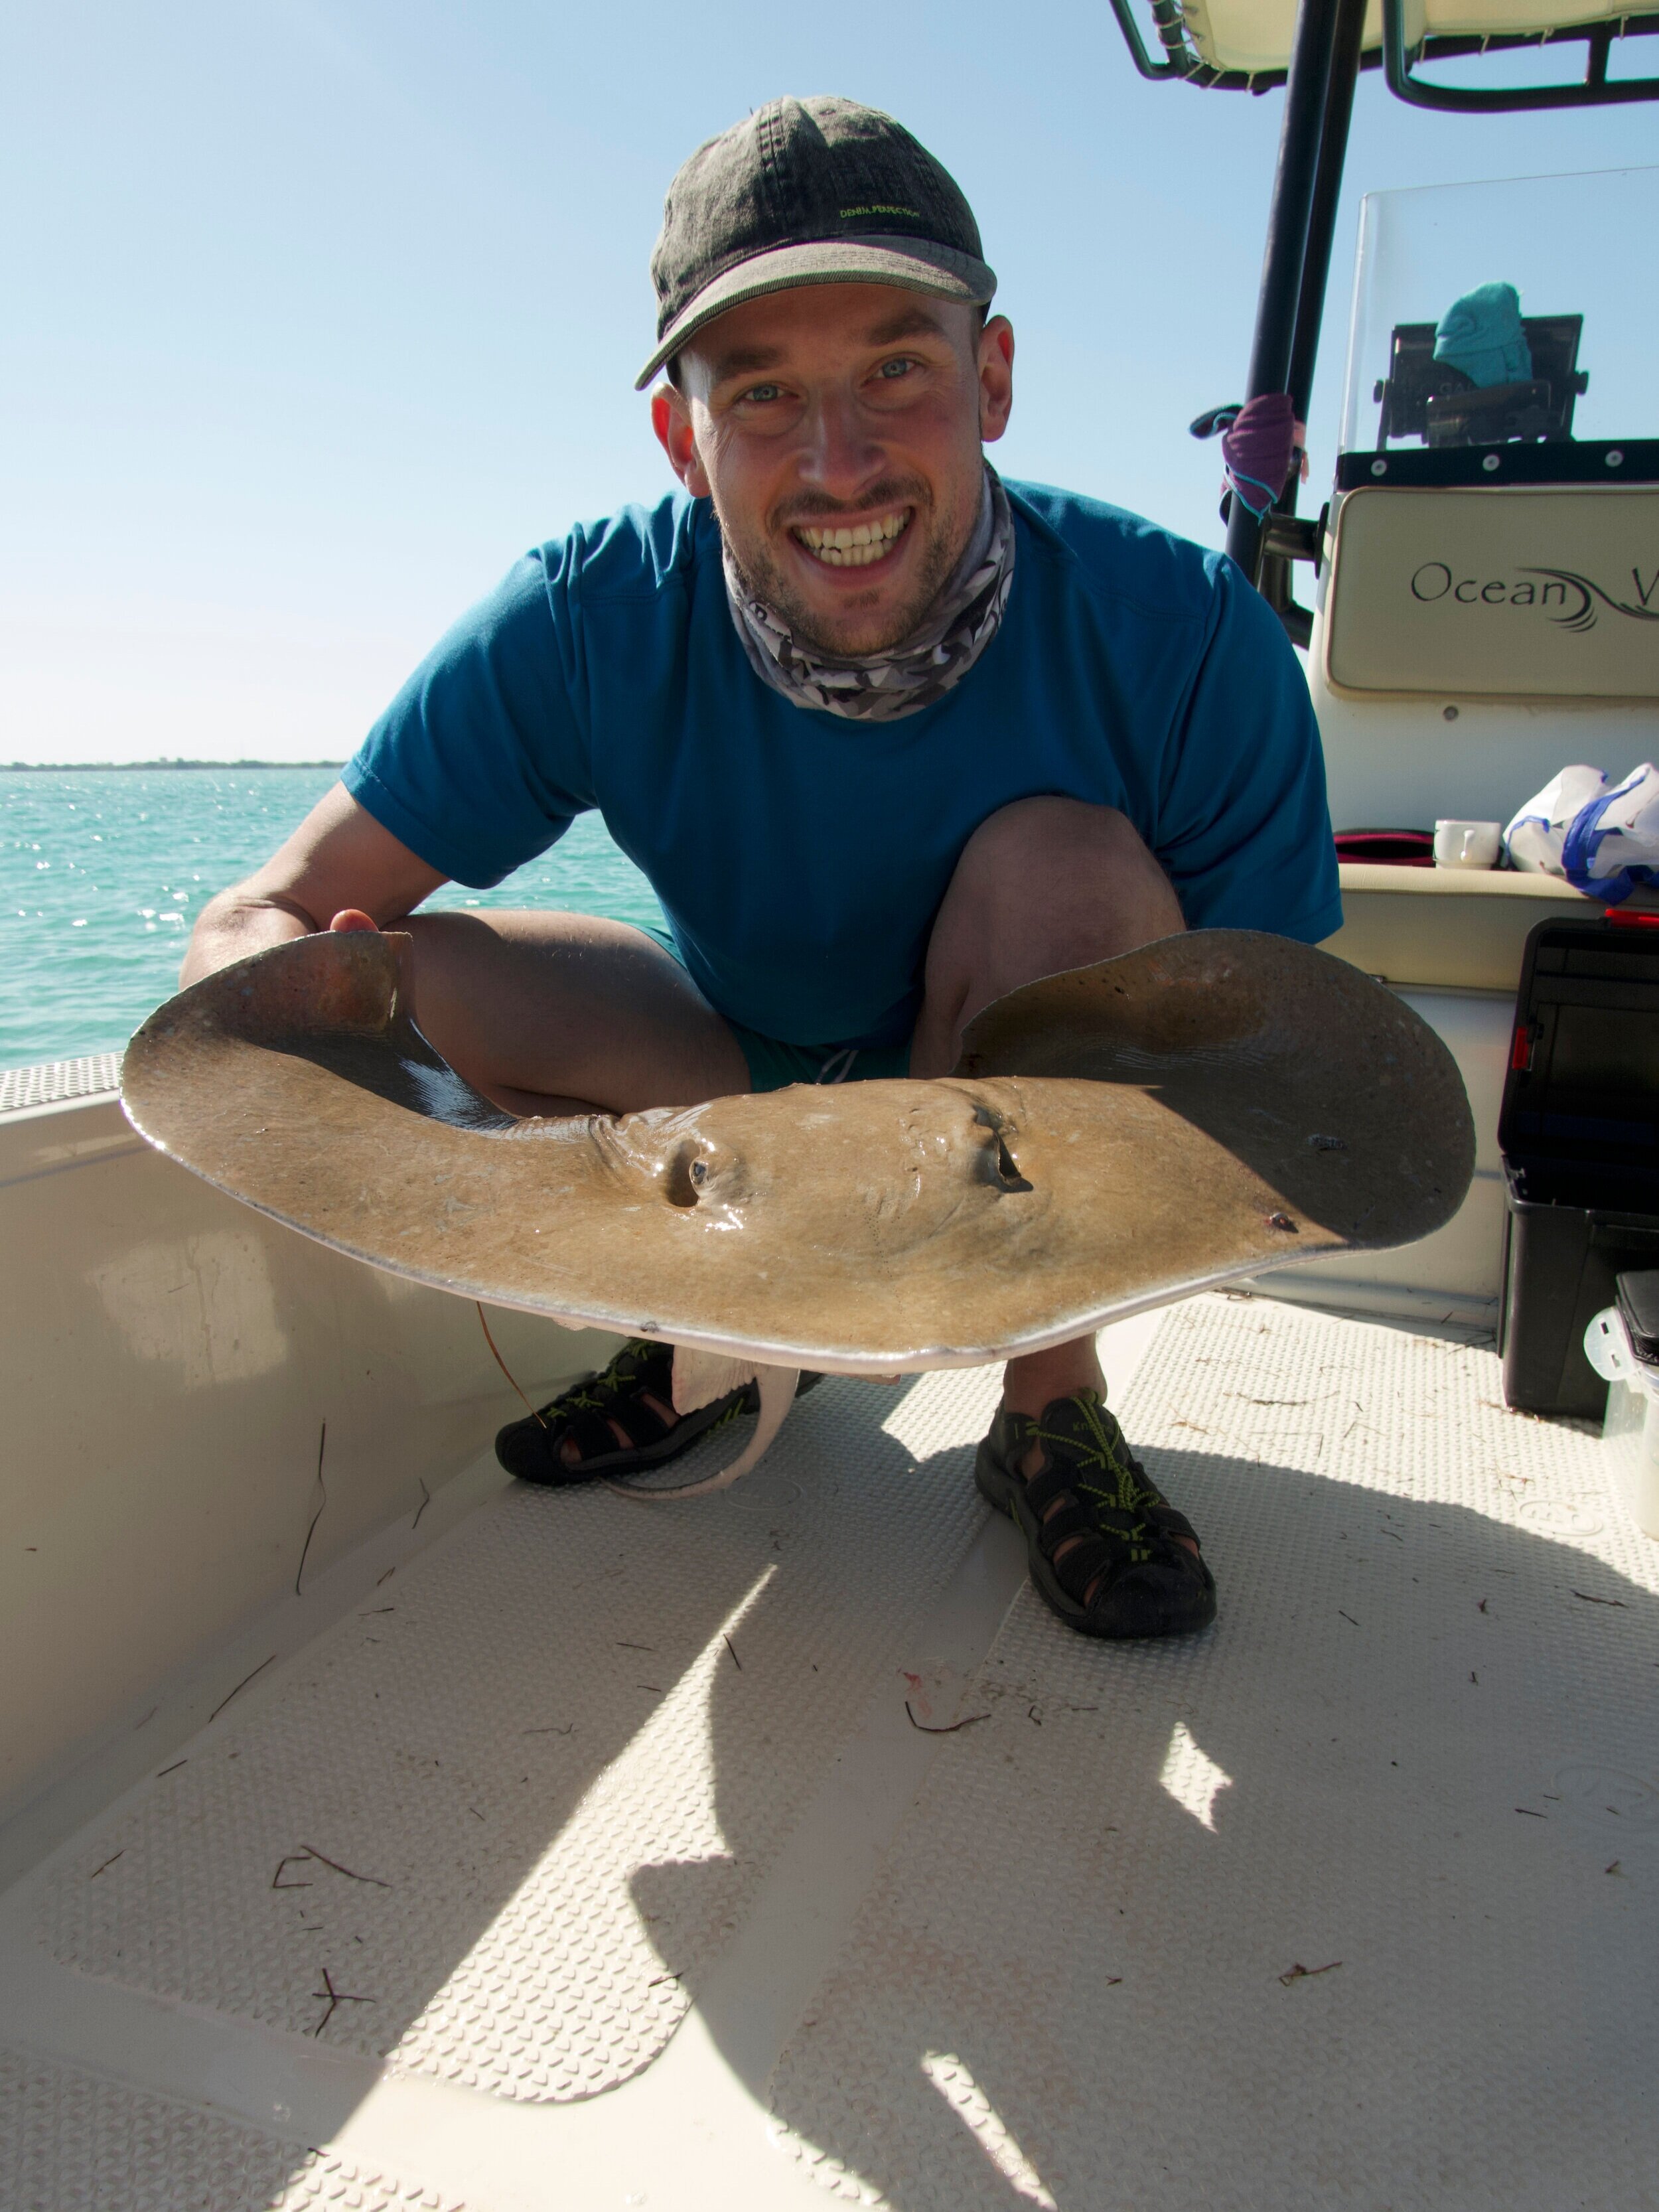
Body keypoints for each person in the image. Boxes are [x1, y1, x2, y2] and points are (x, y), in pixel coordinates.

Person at [184, 95, 1340, 1643]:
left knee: (1063, 863)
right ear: (682, 433)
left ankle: (1047, 1404)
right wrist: (265, 1022)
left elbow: (1280, 1040)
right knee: (398, 979)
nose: (838, 461)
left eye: (894, 371)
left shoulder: (1184, 631)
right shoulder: (585, 614)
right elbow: (257, 912)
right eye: (764, 394)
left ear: (989, 378)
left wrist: (1010, 1209)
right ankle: (696, 1334)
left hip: (1004, 1114)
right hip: (726, 1083)